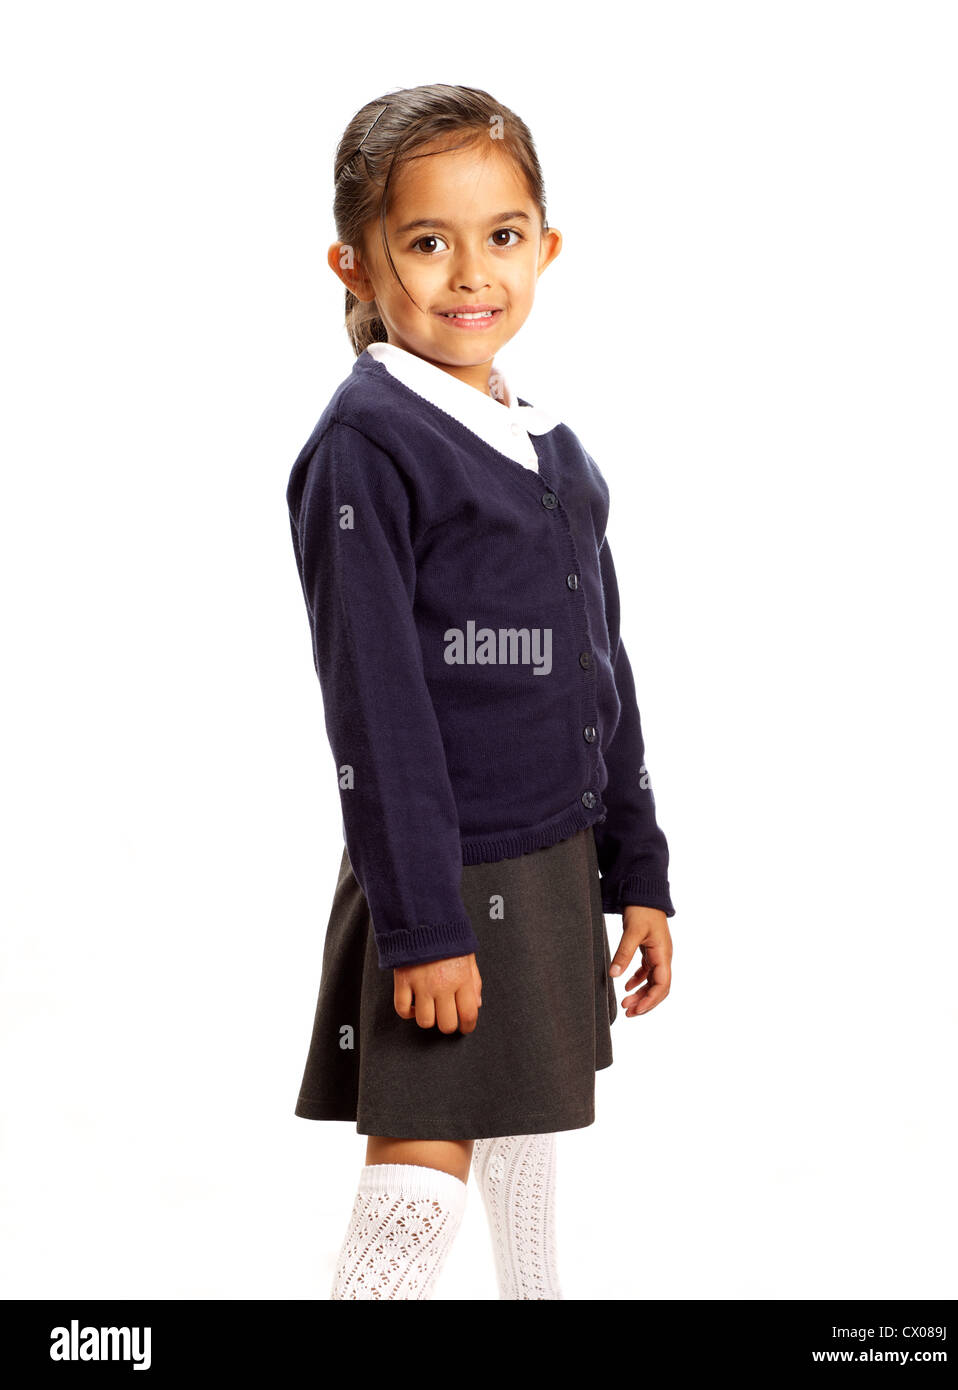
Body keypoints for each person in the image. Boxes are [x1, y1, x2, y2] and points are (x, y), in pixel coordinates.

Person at [285, 83, 678, 1300]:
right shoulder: (367, 444)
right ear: (354, 261)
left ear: (545, 245)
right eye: (425, 241)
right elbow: (378, 708)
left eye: (501, 235)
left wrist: (638, 870)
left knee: (526, 1122)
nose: (471, 273)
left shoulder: (550, 446)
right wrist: (422, 925)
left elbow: (597, 664)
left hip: (552, 856)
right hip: (445, 872)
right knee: (419, 1178)